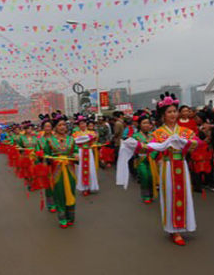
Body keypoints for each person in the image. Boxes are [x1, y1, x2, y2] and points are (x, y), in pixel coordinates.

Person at [117, 92, 200, 246]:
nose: (173, 114)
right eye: (169, 112)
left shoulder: (184, 131)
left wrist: (183, 142)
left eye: (175, 111)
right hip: (168, 167)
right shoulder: (158, 133)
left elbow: (195, 143)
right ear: (163, 115)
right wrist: (135, 146)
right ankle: (173, 230)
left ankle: (183, 226)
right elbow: (151, 149)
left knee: (184, 196)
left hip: (182, 166)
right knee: (170, 196)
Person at [44, 112, 79, 228]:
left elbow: (75, 151)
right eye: (59, 125)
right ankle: (62, 218)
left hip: (70, 170)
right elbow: (46, 155)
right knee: (59, 194)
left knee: (71, 192)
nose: (62, 127)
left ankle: (71, 216)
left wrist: (76, 155)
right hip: (57, 171)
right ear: (55, 128)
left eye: (64, 124)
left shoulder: (71, 139)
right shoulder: (50, 141)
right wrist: (48, 159)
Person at [72, 114, 99, 196]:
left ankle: (91, 186)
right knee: (81, 169)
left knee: (90, 169)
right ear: (78, 125)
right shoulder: (75, 134)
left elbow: (94, 138)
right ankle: (84, 188)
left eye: (84, 123)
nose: (83, 125)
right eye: (81, 124)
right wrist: (86, 138)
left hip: (89, 151)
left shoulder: (92, 132)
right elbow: (76, 141)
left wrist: (84, 139)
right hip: (80, 152)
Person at [131, 116, 156, 203]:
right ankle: (145, 196)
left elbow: (157, 146)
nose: (146, 125)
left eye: (148, 123)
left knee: (151, 177)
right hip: (141, 159)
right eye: (144, 123)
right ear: (139, 124)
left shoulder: (153, 135)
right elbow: (133, 148)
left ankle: (151, 194)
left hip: (152, 159)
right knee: (144, 176)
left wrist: (153, 154)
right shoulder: (135, 136)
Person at [37, 114, 56, 212]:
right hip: (46, 165)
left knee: (57, 183)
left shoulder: (56, 138)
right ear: (43, 128)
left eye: (49, 126)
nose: (48, 128)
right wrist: (42, 157)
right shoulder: (40, 140)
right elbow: (37, 152)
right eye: (46, 126)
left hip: (57, 164)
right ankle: (50, 204)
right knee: (48, 184)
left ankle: (57, 201)